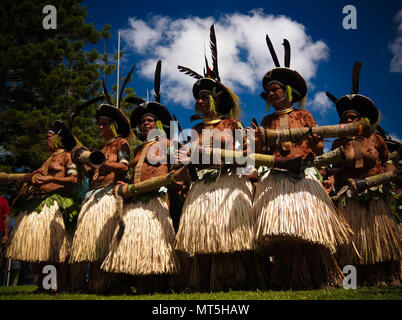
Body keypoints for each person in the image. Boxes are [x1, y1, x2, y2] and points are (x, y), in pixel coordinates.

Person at [251, 35, 354, 289]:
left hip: (303, 178)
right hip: (276, 180)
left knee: (309, 232)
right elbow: (260, 152)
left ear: (287, 91)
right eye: (269, 91)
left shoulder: (304, 115)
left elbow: (318, 148)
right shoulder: (266, 122)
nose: (271, 93)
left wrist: (316, 139)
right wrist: (257, 139)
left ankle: (321, 277)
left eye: (276, 89)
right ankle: (287, 279)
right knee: (282, 233)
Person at [174, 25, 266, 292]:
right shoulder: (197, 131)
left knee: (238, 235)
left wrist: (206, 154)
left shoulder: (232, 125)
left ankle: (254, 281)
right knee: (203, 237)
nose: (199, 102)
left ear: (215, 100)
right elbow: (190, 166)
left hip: (228, 186)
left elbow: (246, 160)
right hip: (202, 188)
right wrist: (187, 162)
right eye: (198, 98)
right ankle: (201, 286)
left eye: (204, 97)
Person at [327, 61, 401, 286]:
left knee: (378, 237)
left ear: (362, 120)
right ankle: (356, 279)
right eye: (345, 118)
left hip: (376, 195)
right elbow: (338, 174)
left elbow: (388, 164)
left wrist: (387, 182)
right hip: (350, 197)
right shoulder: (338, 143)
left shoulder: (376, 140)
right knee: (356, 239)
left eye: (353, 118)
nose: (348, 121)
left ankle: (387, 277)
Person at [101, 88, 181, 293]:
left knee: (154, 238)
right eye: (143, 121)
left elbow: (180, 164)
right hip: (134, 197)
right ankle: (127, 279)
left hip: (156, 197)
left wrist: (176, 181)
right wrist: (122, 184)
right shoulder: (137, 150)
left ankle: (155, 279)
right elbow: (131, 172)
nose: (146, 124)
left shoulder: (167, 144)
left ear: (158, 124)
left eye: (150, 121)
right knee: (131, 238)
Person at [5, 121, 79, 292]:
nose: (44, 141)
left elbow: (73, 179)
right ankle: (44, 284)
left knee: (53, 248)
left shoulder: (67, 156)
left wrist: (51, 179)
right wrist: (25, 182)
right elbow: (35, 176)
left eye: (47, 137)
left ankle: (59, 285)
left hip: (54, 205)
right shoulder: (48, 159)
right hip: (38, 204)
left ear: (58, 139)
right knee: (40, 247)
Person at [69, 103, 131, 293]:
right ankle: (95, 284)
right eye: (99, 124)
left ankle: (111, 283)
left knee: (107, 240)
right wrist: (83, 164)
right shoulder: (101, 147)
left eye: (104, 124)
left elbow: (124, 167)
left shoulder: (122, 143)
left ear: (113, 125)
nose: (100, 127)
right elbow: (91, 173)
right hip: (94, 194)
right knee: (94, 240)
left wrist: (105, 163)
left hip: (110, 194)